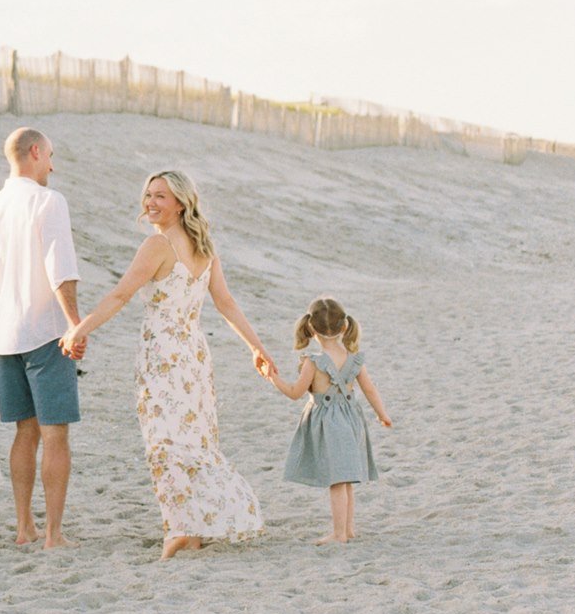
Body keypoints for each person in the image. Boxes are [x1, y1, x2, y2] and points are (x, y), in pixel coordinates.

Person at [61, 169, 269, 560]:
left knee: (163, 441)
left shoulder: (156, 247)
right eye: (148, 195)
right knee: (192, 439)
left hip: (164, 356)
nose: (150, 203)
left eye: (160, 196)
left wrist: (81, 329)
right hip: (193, 355)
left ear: (180, 203)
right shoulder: (203, 247)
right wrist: (255, 347)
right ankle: (190, 524)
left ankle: (179, 528)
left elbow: (122, 295)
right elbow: (225, 304)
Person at [0, 127, 86, 549]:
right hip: (44, 330)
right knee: (56, 434)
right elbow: (61, 269)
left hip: (4, 334)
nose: (53, 166)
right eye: (51, 156)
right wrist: (74, 323)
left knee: (25, 431)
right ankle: (54, 535)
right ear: (35, 152)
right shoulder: (48, 201)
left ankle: (25, 528)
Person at [268, 296, 392, 544]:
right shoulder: (355, 359)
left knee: (337, 480)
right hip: (352, 419)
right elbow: (370, 390)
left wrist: (272, 378)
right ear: (344, 326)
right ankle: (348, 529)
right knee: (346, 480)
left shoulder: (313, 362)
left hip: (329, 424)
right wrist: (382, 415)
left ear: (311, 328)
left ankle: (338, 534)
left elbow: (295, 393)